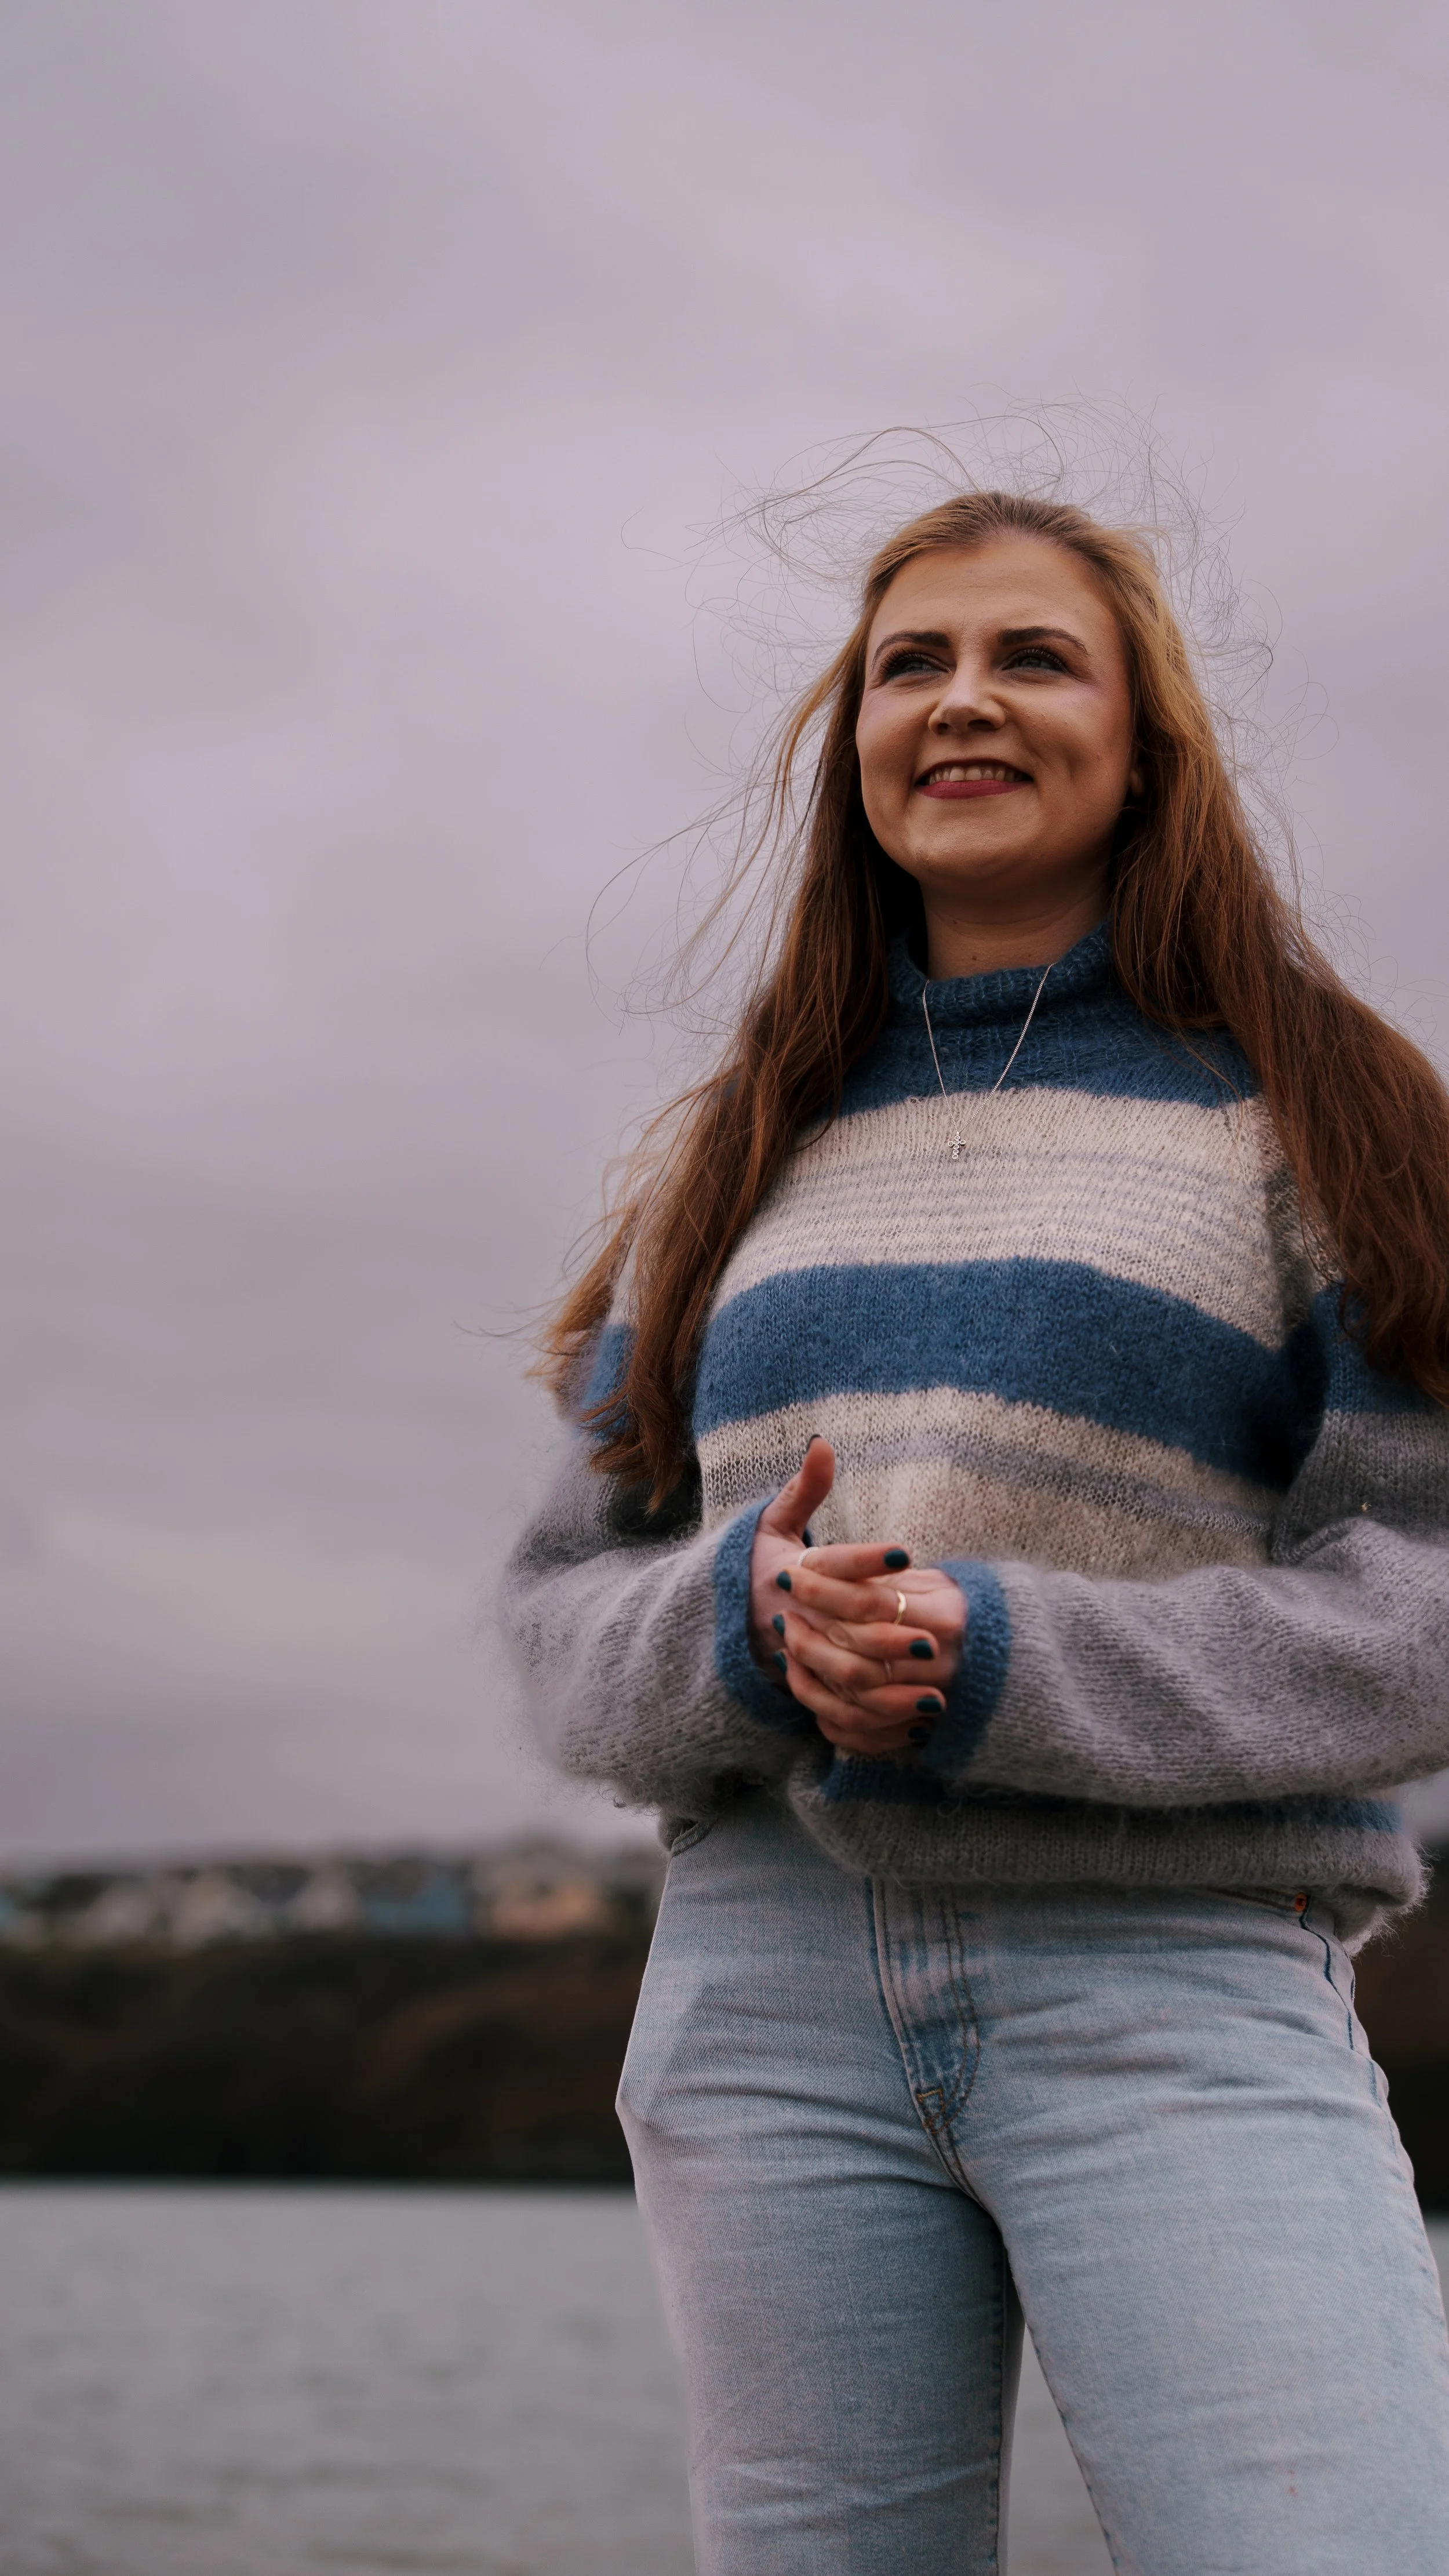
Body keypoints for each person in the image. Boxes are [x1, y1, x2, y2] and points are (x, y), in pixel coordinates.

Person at [502, 489, 1449, 2573]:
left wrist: (999, 1654)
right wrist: (743, 1632)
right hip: (766, 1992)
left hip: (1174, 1977)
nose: (960, 701)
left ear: (1147, 744)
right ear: (850, 743)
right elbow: (565, 1615)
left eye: (1031, 658)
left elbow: (1422, 1605)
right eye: (908, 664)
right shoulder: (738, 1151)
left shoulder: (1336, 1118)